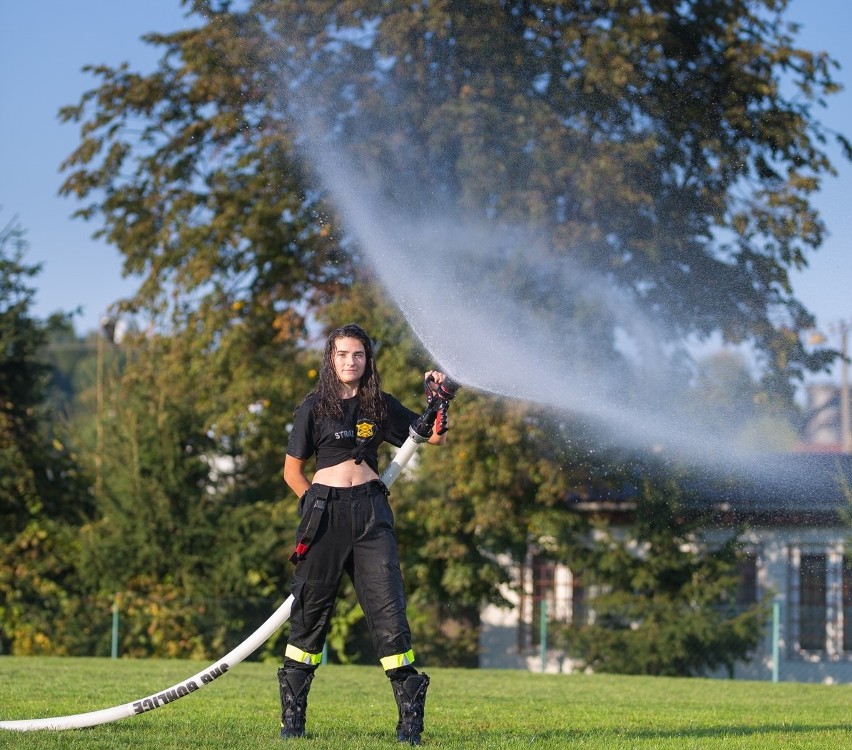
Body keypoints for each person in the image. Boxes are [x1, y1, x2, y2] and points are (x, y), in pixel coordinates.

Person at [278, 323, 449, 745]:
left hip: (372, 515)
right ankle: (293, 723)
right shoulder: (314, 407)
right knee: (309, 615)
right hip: (325, 514)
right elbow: (291, 472)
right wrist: (314, 504)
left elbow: (435, 437)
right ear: (330, 359)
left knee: (389, 612)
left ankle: (410, 722)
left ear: (367, 359)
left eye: (357, 354)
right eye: (341, 354)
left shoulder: (380, 405)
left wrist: (438, 399)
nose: (350, 361)